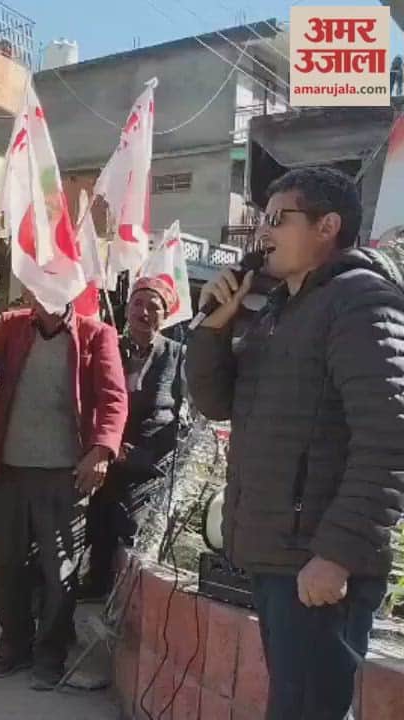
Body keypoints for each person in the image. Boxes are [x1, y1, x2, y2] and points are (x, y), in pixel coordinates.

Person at [186, 167, 404, 720]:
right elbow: (218, 403)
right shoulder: (281, 309)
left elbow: (389, 439)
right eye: (261, 221)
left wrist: (336, 554)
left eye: (278, 219)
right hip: (277, 555)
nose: (263, 234)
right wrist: (214, 327)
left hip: (318, 564)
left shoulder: (361, 302)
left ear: (327, 225)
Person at [0, 288, 126, 690]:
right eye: (37, 286)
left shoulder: (96, 333)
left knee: (60, 572)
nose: (44, 295)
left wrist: (102, 450)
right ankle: (14, 646)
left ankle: (49, 653)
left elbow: (113, 398)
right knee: (7, 566)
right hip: (11, 471)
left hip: (65, 476)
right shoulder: (14, 326)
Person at [82, 277, 185, 599]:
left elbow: (184, 416)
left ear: (164, 315)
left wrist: (142, 455)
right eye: (138, 304)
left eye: (153, 306)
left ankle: (126, 599)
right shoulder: (108, 347)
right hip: (104, 455)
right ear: (127, 309)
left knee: (131, 529)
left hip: (148, 466)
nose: (144, 312)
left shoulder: (178, 355)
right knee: (92, 525)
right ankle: (95, 585)